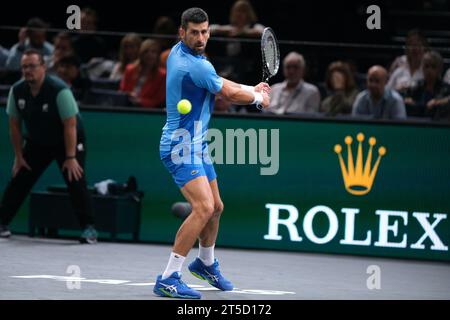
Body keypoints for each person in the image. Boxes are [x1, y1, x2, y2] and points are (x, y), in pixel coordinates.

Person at [156, 7, 270, 299]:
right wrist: (258, 98)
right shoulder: (194, 65)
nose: (200, 37)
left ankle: (205, 263)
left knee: (216, 207)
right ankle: (169, 277)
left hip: (197, 144)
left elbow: (220, 83)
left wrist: (251, 87)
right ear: (182, 32)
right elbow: (228, 94)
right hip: (181, 146)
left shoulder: (182, 55)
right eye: (194, 32)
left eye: (205, 31)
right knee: (203, 208)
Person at [0, 49, 98, 243]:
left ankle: (89, 228)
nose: (28, 70)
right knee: (20, 176)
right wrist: (19, 156)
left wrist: (70, 158)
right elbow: (14, 126)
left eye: (32, 66)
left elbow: (70, 125)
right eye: (24, 67)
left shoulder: (59, 90)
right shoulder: (17, 90)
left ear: (43, 67)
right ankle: (2, 222)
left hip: (68, 140)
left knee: (75, 177)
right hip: (38, 141)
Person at [119, 39, 166, 108]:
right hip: (126, 107)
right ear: (141, 54)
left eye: (153, 52)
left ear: (157, 55)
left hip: (147, 111)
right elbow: (122, 91)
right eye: (146, 51)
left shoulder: (162, 75)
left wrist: (139, 101)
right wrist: (129, 95)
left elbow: (159, 100)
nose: (149, 54)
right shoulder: (130, 69)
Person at [404, 51, 450, 119]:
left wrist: (440, 102)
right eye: (426, 66)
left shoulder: (446, 89)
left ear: (439, 69)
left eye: (433, 67)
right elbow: (406, 100)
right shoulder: (415, 87)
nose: (429, 70)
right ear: (422, 68)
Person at [386, 29, 428, 94]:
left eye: (418, 45)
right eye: (412, 45)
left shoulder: (429, 65)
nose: (415, 49)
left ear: (424, 47)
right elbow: (388, 89)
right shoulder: (399, 63)